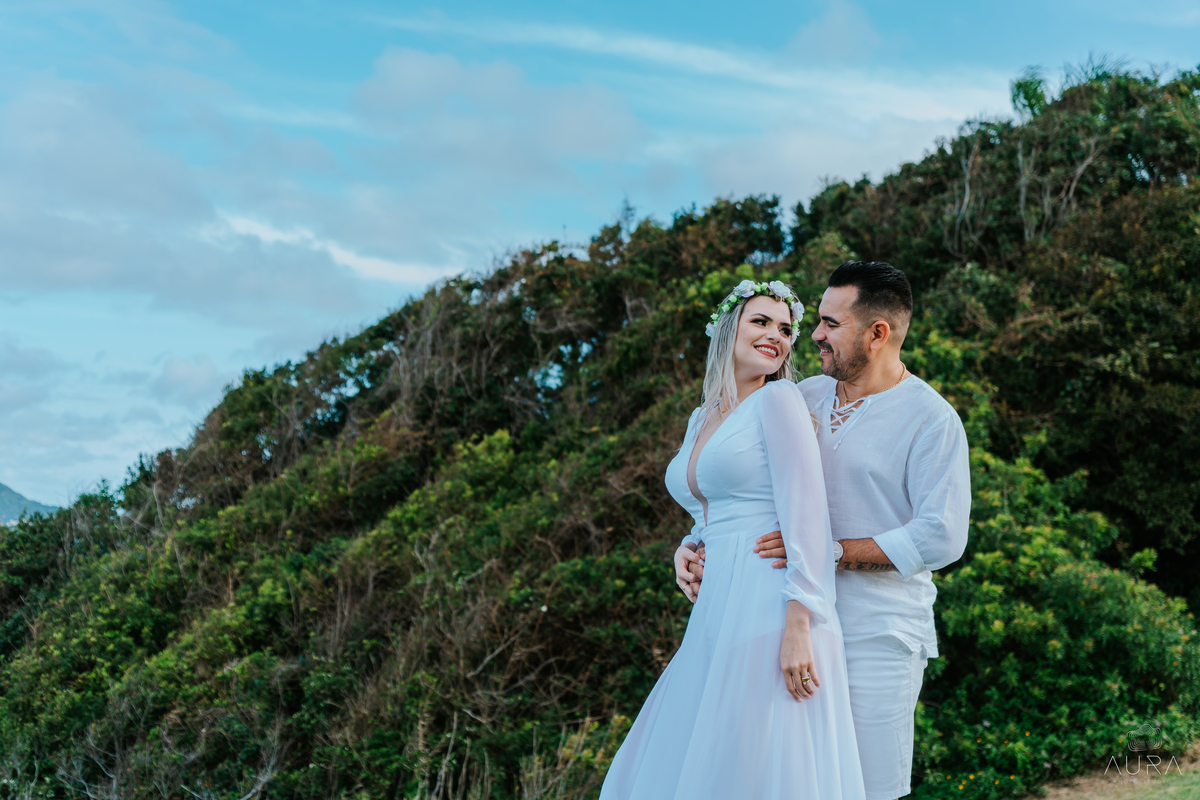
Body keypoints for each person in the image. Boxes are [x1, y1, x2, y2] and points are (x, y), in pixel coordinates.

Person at [675, 261, 971, 800]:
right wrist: (694, 543)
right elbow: (748, 490)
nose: (813, 335)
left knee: (871, 787)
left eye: (830, 324)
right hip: (790, 615)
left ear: (877, 334)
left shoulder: (931, 419)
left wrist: (828, 551)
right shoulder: (802, 395)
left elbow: (941, 536)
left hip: (877, 629)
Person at [600, 280, 865, 799]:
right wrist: (690, 546)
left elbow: (806, 515)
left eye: (787, 329)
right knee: (708, 761)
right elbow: (713, 507)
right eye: (761, 321)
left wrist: (799, 625)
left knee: (758, 763)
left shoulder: (780, 400)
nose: (777, 336)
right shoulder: (704, 416)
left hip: (770, 602)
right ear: (729, 329)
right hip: (718, 607)